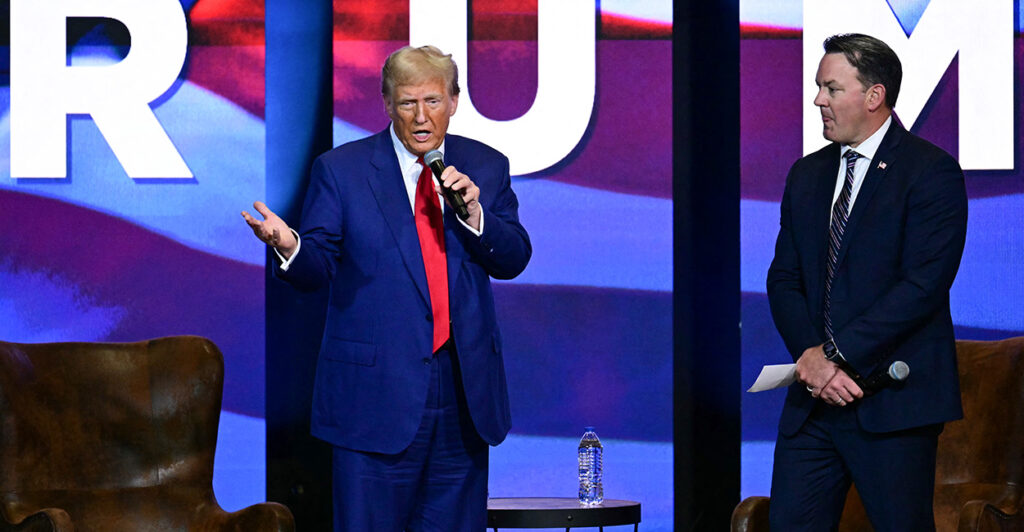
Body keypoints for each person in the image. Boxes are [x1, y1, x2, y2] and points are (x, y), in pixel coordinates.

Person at [242, 45, 531, 531]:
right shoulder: (342, 170)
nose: (421, 117)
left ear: (454, 101)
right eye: (407, 103)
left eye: (433, 102)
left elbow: (514, 258)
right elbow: (316, 267)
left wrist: (476, 217)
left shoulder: (485, 166)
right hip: (373, 401)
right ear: (386, 103)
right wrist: (288, 244)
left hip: (463, 399)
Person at [766, 33, 968, 530]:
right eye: (819, 88)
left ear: (873, 96)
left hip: (892, 405)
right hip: (813, 407)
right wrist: (811, 359)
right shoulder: (806, 175)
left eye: (831, 89)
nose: (818, 100)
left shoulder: (929, 172)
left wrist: (833, 357)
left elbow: (922, 285)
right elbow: (783, 279)